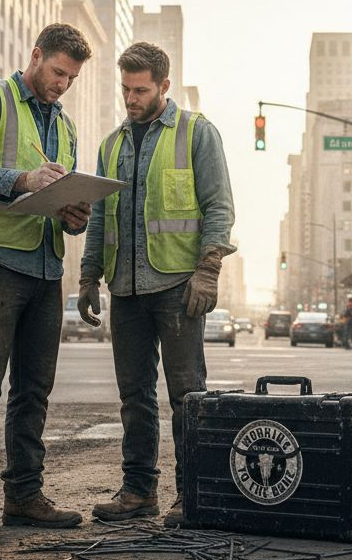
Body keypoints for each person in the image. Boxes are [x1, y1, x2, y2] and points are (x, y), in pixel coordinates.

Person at [0, 23, 94, 546]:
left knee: (34, 392)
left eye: (71, 78)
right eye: (57, 73)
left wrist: (74, 216)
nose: (62, 85)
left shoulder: (66, 127)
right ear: (35, 57)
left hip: (46, 267)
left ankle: (24, 496)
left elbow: (58, 199)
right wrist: (21, 181)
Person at [79, 42, 236, 528]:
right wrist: (88, 276)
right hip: (124, 290)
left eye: (140, 90)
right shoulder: (112, 144)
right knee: (134, 396)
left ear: (164, 86)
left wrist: (208, 269)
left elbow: (218, 206)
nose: (131, 98)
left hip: (176, 286)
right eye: (125, 89)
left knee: (187, 395)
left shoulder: (196, 133)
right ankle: (138, 491)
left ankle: (193, 495)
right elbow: (100, 215)